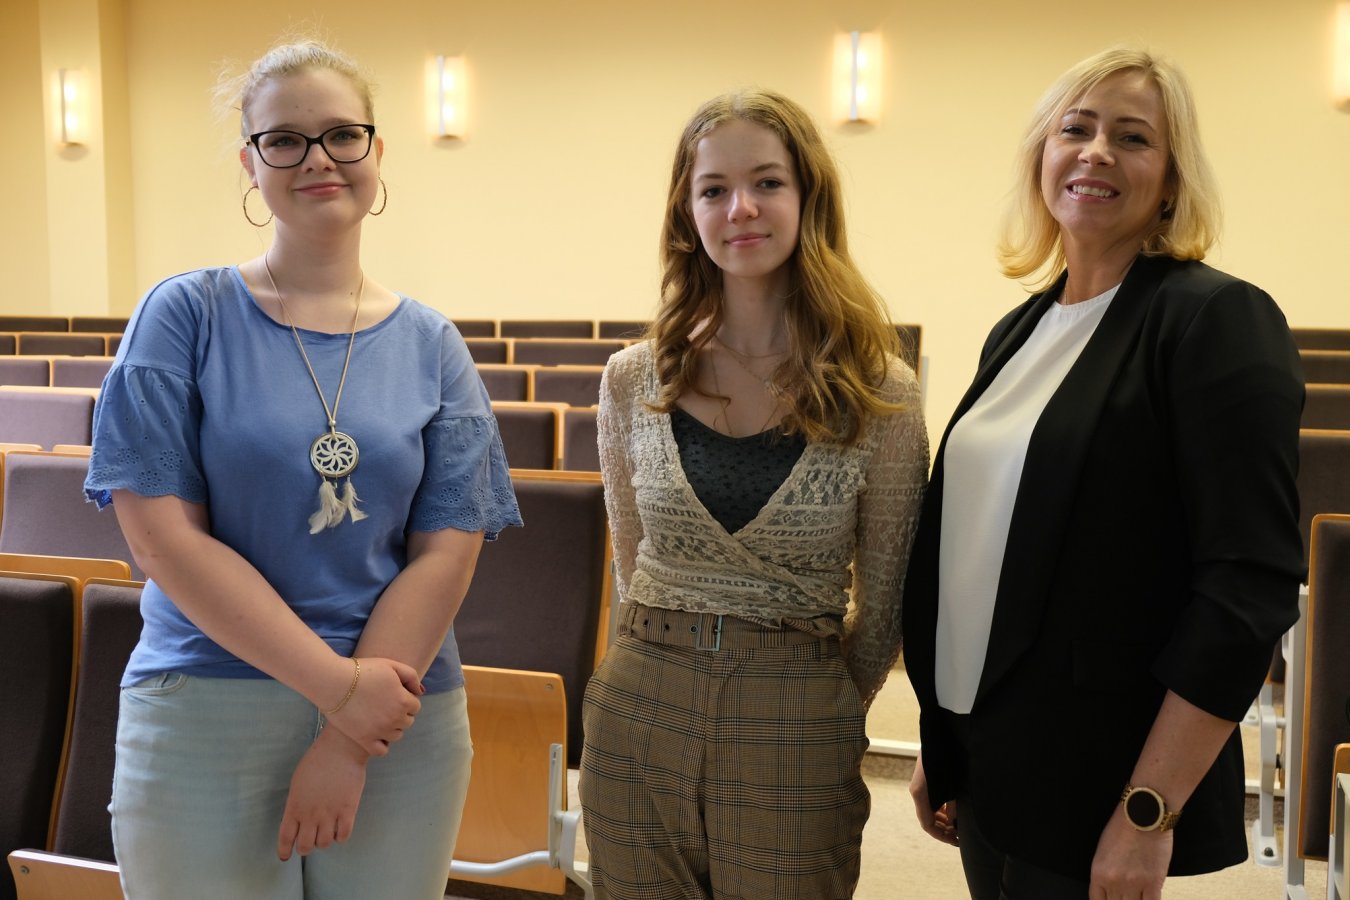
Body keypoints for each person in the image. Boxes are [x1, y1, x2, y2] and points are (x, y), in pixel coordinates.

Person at [83, 39, 521, 900]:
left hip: (400, 715)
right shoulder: (183, 314)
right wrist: (338, 692)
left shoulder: (433, 344)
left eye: (341, 135)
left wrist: (351, 734)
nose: (317, 158)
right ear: (251, 164)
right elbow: (164, 540)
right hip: (209, 702)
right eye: (284, 140)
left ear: (376, 151)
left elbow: (446, 553)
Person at [902, 47, 1304, 899]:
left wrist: (1148, 809)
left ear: (1172, 180)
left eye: (1132, 137)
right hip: (989, 757)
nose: (1096, 153)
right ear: (1040, 157)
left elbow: (1249, 588)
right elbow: (976, 551)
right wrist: (943, 737)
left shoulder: (1213, 318)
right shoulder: (1018, 329)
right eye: (1075, 130)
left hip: (1101, 779)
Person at [579, 88, 929, 899]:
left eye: (767, 182)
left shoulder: (881, 391)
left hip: (797, 705)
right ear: (688, 211)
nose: (741, 208)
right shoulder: (633, 380)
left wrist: (822, 701)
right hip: (639, 700)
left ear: (809, 197)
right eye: (714, 189)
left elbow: (884, 604)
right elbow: (632, 562)